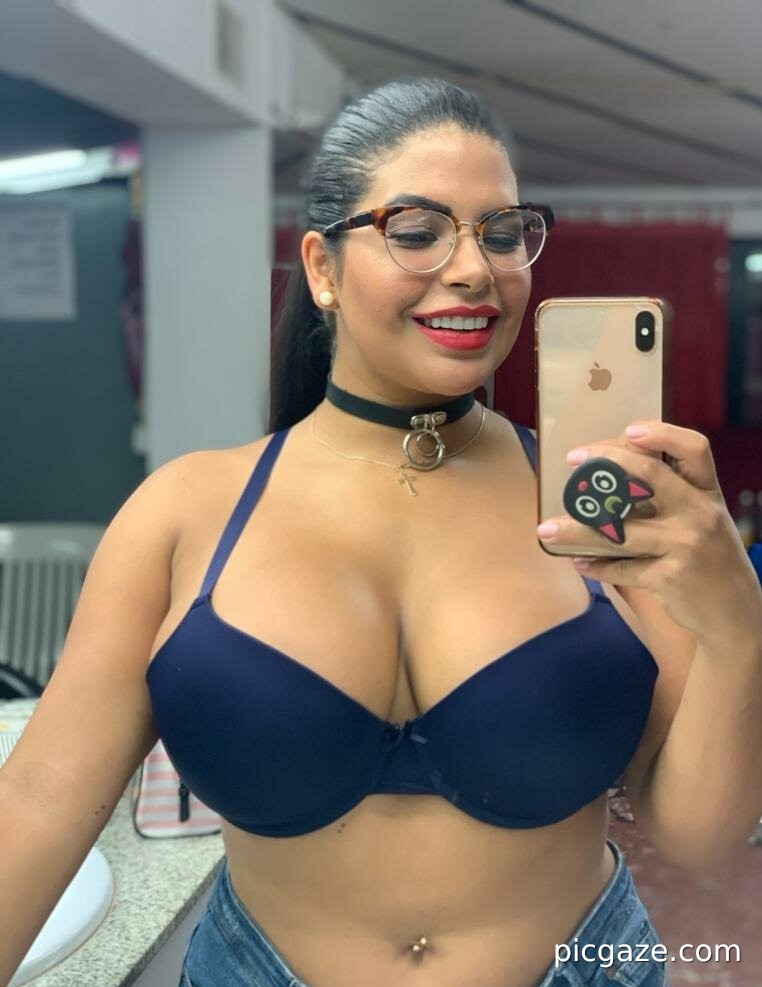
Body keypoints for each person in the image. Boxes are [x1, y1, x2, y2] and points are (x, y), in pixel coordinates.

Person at [2, 76, 762, 987]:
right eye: (418, 229)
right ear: (322, 268)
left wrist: (739, 621)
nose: (474, 268)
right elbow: (40, 798)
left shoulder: (602, 503)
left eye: (502, 233)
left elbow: (697, 833)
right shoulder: (183, 512)